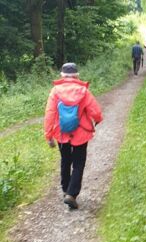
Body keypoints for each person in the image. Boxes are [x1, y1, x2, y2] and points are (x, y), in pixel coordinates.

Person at [44, 63, 103, 210]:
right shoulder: (83, 91)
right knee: (78, 163)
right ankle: (72, 194)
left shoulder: (55, 91)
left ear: (62, 75)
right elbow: (94, 110)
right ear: (77, 75)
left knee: (65, 160)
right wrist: (98, 119)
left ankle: (65, 190)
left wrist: (48, 135)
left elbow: (50, 114)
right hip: (81, 133)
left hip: (61, 133)